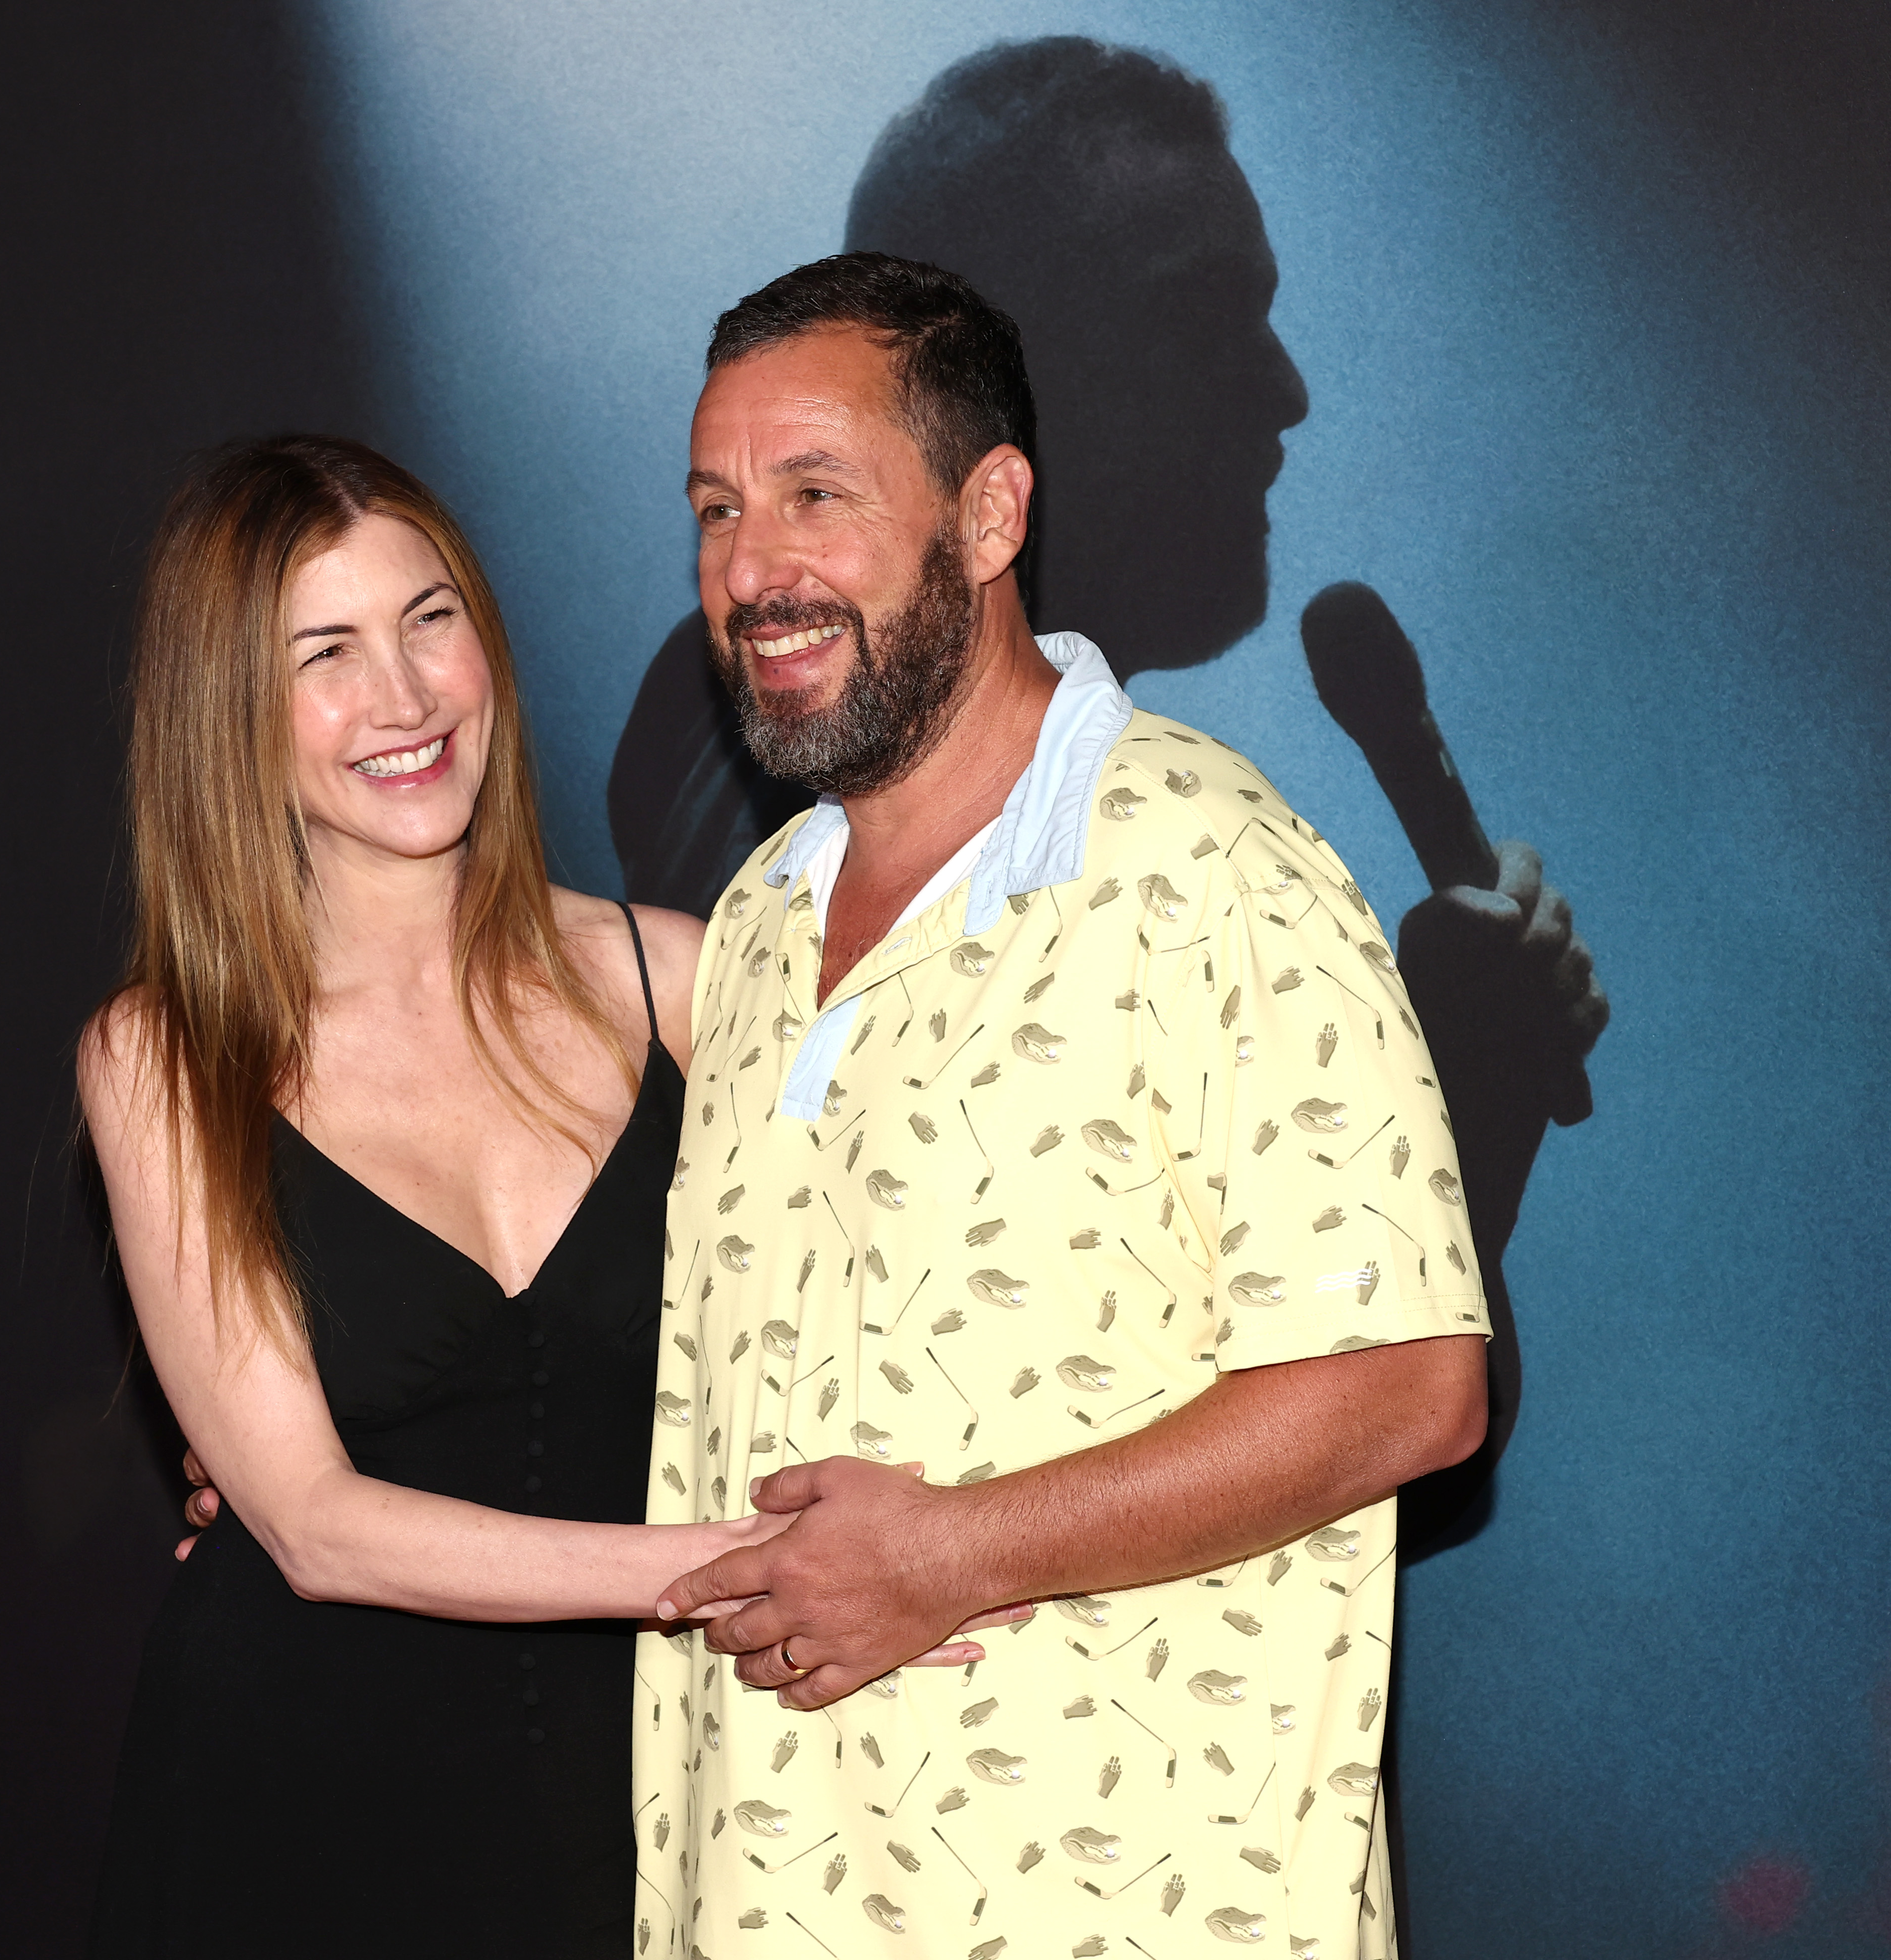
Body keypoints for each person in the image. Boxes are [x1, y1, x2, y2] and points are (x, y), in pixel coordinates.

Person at [606, 39, 1605, 1565]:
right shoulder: (766, 720)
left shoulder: (1149, 832)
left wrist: (1456, 1101)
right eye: (1206, 322)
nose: (1285, 393)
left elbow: (1399, 1464)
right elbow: (927, 1380)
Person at [631, 254, 1486, 1959]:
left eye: (817, 495)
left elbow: (1410, 1382)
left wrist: (955, 1549)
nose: (751, 569)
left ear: (990, 509)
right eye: (717, 509)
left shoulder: (1201, 860)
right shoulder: (753, 922)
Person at [78, 435, 1016, 1956]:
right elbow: (314, 1527)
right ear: (227, 714)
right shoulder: (162, 1058)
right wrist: (736, 1570)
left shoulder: (680, 978)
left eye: (430, 619)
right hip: (297, 1807)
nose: (404, 694)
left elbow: (938, 1268)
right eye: (326, 652)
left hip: (626, 1795)